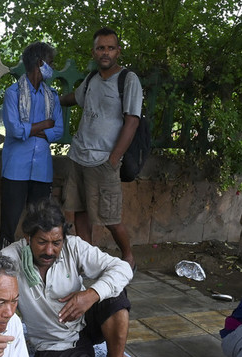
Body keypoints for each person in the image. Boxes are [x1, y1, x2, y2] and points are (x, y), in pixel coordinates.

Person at [0, 199, 156, 357]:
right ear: (27, 238)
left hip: (85, 325)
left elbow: (123, 268)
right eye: (42, 242)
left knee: (115, 296)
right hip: (53, 343)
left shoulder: (73, 246)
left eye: (56, 243)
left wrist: (91, 295)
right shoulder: (10, 259)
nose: (49, 251)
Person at [59, 27, 142, 269]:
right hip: (79, 157)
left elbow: (132, 121)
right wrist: (53, 98)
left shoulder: (128, 80)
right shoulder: (92, 79)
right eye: (100, 48)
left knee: (110, 217)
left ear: (118, 51)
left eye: (110, 48)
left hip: (104, 161)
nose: (105, 52)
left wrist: (114, 158)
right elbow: (74, 98)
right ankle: (89, 261)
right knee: (79, 211)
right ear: (94, 52)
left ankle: (128, 258)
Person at [0, 42, 63, 249]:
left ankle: (36, 263)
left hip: (42, 170)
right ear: (40, 63)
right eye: (50, 63)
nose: (51, 68)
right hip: (16, 168)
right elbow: (15, 130)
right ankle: (2, 262)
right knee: (9, 220)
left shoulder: (51, 96)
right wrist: (44, 125)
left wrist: (31, 129)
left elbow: (59, 130)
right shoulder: (13, 93)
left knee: (40, 222)